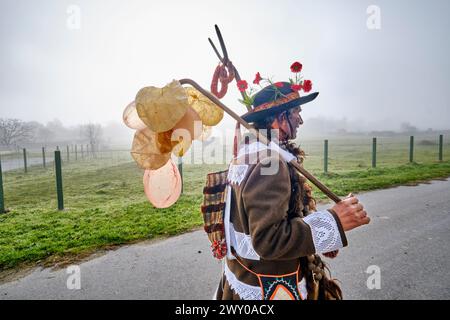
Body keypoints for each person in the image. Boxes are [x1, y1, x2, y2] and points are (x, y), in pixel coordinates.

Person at [214, 81, 370, 300]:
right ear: (279, 117)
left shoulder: (247, 153)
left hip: (242, 277)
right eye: (297, 111)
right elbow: (270, 238)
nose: (301, 119)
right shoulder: (270, 162)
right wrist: (334, 221)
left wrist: (322, 237)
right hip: (269, 289)